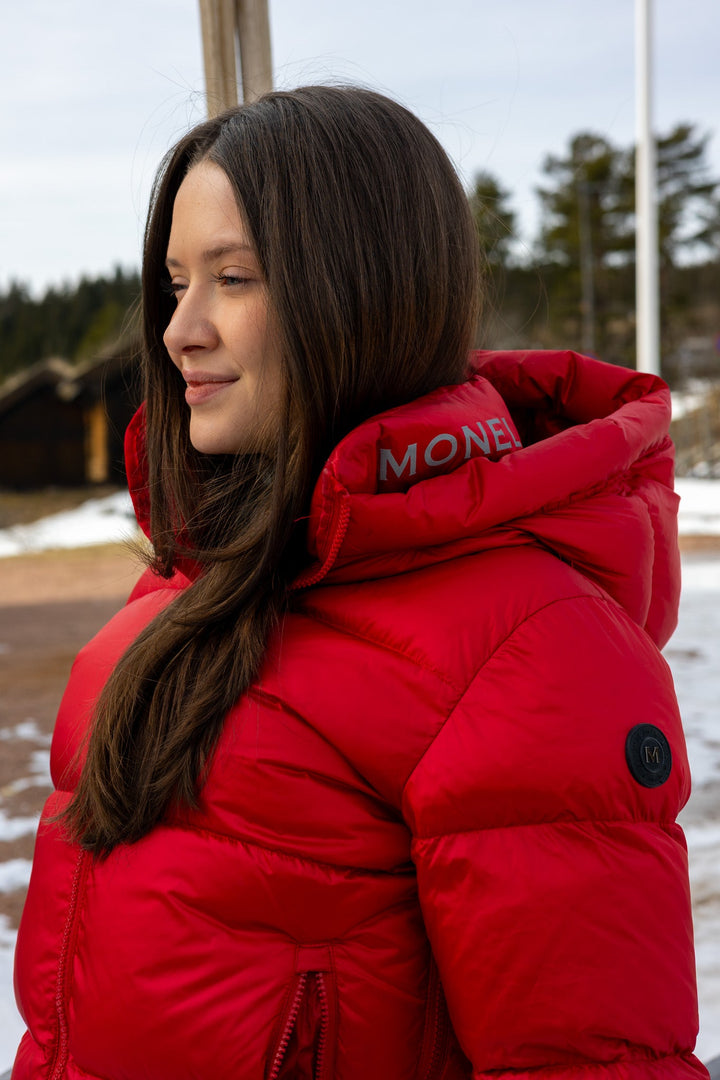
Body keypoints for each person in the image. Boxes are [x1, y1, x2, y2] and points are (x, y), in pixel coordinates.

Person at [12, 86, 707, 1080]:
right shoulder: (194, 576)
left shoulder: (531, 644)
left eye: (234, 280)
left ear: (364, 290)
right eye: (174, 284)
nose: (178, 332)